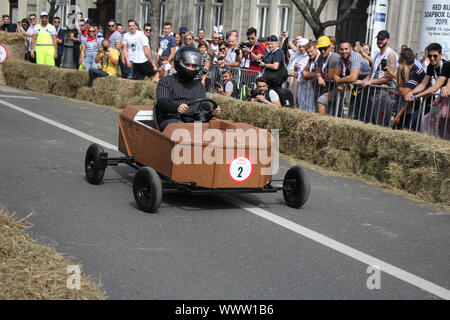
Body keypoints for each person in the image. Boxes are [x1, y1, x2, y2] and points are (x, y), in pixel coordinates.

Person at [156, 46, 222, 132]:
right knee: (182, 129)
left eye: (193, 66)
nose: (190, 69)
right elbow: (162, 103)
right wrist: (176, 108)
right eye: (187, 65)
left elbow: (204, 108)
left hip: (193, 122)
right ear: (179, 63)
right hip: (171, 120)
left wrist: (212, 112)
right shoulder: (166, 81)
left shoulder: (199, 85)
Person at [405, 43, 450, 137]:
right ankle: (430, 140)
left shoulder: (446, 65)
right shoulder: (430, 67)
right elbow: (423, 84)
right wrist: (411, 92)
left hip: (446, 100)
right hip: (445, 100)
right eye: (430, 56)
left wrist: (415, 96)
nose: (432, 58)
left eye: (435, 56)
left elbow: (436, 87)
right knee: (430, 119)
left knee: (441, 122)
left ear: (440, 55)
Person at [358, 30, 398, 126]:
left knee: (380, 122)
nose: (379, 41)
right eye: (378, 39)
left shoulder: (390, 55)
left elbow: (388, 77)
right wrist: (365, 80)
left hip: (383, 90)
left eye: (382, 39)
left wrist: (370, 82)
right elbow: (372, 71)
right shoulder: (376, 54)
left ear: (388, 40)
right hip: (373, 89)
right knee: (368, 120)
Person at [384, 49, 425, 130]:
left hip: (413, 110)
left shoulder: (415, 73)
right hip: (405, 109)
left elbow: (405, 93)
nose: (398, 62)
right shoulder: (408, 71)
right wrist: (388, 89)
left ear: (404, 61)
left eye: (399, 60)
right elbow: (402, 90)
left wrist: (398, 115)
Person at [333, 40, 372, 118]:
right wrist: (339, 83)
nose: (344, 51)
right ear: (338, 50)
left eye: (346, 49)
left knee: (360, 111)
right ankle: (345, 120)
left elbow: (353, 77)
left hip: (364, 84)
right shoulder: (340, 58)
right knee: (345, 109)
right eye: (341, 49)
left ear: (351, 48)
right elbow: (335, 75)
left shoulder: (355, 56)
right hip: (349, 84)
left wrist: (339, 81)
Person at [315, 36, 340, 115]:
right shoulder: (320, 57)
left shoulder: (334, 57)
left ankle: (323, 123)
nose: (322, 51)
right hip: (328, 88)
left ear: (330, 47)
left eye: (325, 48)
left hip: (339, 87)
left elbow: (330, 76)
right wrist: (319, 77)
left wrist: (320, 76)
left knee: (321, 100)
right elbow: (317, 72)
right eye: (320, 49)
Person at [296, 40, 319, 112]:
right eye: (308, 52)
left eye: (311, 51)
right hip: (310, 87)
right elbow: (304, 70)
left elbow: (319, 73)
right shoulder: (310, 59)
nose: (310, 53)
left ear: (316, 49)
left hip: (318, 88)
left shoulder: (320, 58)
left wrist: (309, 74)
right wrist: (304, 72)